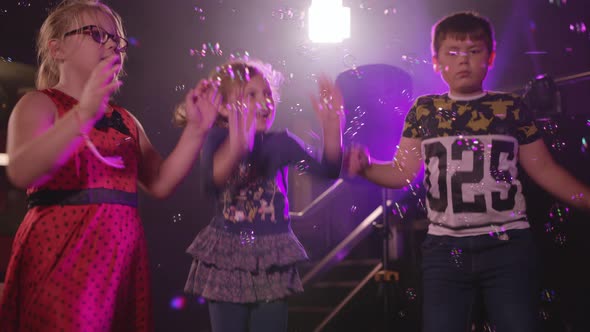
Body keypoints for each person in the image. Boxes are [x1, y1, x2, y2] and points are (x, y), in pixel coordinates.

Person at [347, 11, 590, 332]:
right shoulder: (424, 110)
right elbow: (402, 172)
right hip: (445, 250)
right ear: (436, 61)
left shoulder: (510, 107)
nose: (463, 61)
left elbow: (544, 169)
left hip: (509, 246)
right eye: (452, 52)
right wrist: (367, 169)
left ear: (490, 57)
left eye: (474, 51)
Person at [0, 0, 218, 330]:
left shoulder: (125, 119)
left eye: (117, 40)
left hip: (119, 262)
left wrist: (195, 131)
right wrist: (84, 113)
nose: (113, 45)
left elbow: (159, 182)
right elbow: (21, 170)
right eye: (96, 34)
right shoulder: (39, 103)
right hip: (62, 254)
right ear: (56, 49)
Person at [178, 60, 344, 332]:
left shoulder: (281, 143)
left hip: (271, 256)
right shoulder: (216, 139)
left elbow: (328, 171)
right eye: (250, 94)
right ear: (222, 106)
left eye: (267, 93)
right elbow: (211, 184)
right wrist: (238, 146)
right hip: (227, 256)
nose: (264, 101)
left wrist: (332, 127)